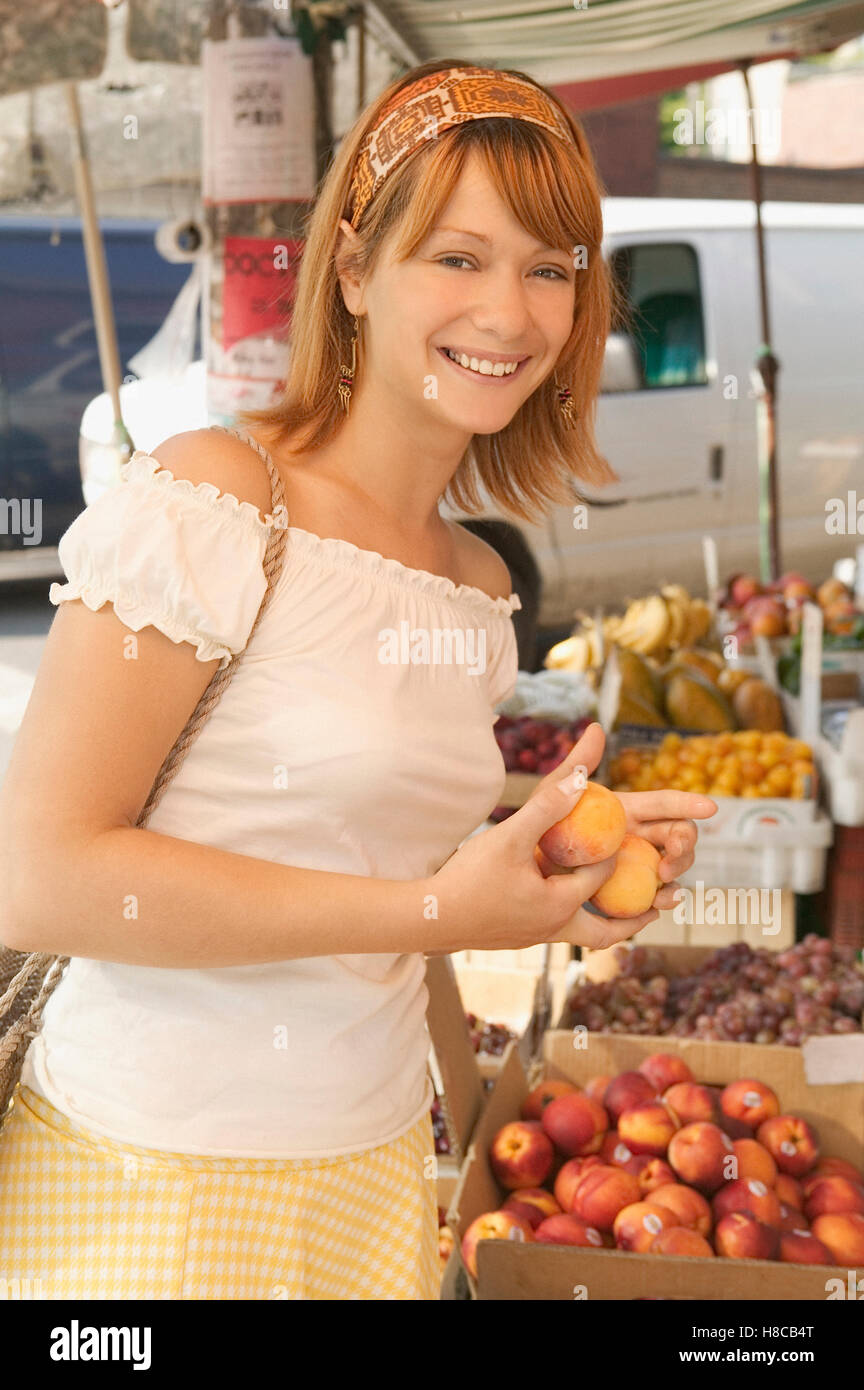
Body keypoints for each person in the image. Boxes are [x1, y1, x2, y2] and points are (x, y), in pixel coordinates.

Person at [0, 59, 716, 1301]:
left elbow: (351, 848)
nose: (509, 311)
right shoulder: (218, 497)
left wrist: (539, 863)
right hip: (155, 1184)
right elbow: (43, 874)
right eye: (458, 256)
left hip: (378, 1175)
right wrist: (443, 914)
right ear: (351, 270)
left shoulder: (477, 581)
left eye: (550, 269)